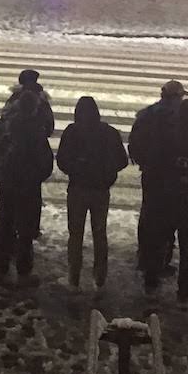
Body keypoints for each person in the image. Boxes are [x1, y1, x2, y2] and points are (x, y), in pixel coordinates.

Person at [0, 90, 54, 286]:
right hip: (28, 187)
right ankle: (23, 272)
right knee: (25, 230)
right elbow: (46, 162)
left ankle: (1, 269)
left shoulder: (4, 126)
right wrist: (36, 177)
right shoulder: (35, 131)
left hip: (7, 183)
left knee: (4, 226)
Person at [55, 96, 127, 291]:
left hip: (78, 188)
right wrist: (106, 171)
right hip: (101, 190)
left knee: (75, 234)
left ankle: (74, 278)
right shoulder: (109, 132)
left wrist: (76, 168)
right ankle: (100, 278)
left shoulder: (72, 131)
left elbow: (61, 159)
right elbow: (122, 160)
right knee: (100, 233)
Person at [144, 98, 188, 300]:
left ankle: (152, 282)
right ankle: (184, 291)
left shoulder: (169, 136)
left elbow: (156, 165)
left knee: (160, 241)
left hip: (167, 199)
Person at [129, 80, 187, 279]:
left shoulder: (146, 114)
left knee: (148, 214)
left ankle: (145, 257)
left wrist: (144, 162)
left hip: (151, 172)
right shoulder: (179, 118)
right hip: (171, 174)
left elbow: (134, 143)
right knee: (168, 218)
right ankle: (162, 260)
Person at [6, 68, 54, 136]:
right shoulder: (42, 98)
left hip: (15, 137)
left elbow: (6, 116)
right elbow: (49, 124)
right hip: (37, 137)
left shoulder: (15, 97)